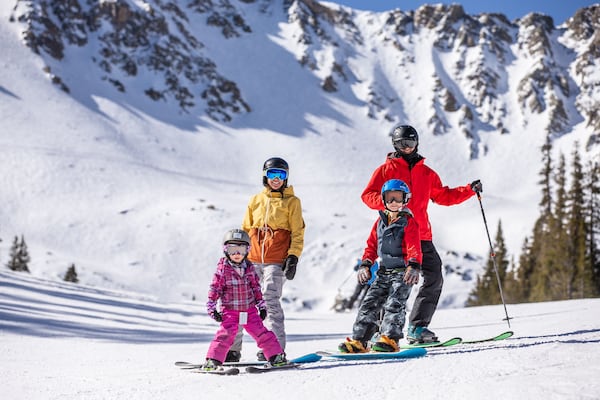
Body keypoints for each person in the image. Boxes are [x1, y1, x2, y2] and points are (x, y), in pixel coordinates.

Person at [361, 124, 482, 343]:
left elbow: (444, 196)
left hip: (421, 236)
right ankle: (377, 331)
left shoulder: (426, 173)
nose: (407, 148)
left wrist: (468, 190)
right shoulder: (385, 171)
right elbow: (367, 195)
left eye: (410, 143)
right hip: (395, 234)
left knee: (434, 277)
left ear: (417, 143)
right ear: (395, 145)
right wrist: (387, 204)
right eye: (402, 144)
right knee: (389, 283)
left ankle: (417, 327)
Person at [227, 157, 305, 361]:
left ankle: (274, 349)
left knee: (269, 300)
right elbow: (245, 230)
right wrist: (238, 255)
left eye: (281, 175)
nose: (276, 179)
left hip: (276, 260)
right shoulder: (255, 200)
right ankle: (232, 349)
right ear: (265, 176)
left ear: (286, 177)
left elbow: (298, 232)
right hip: (251, 260)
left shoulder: (292, 202)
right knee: (240, 301)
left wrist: (293, 256)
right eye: (272, 174)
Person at [339, 179, 422, 353]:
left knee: (394, 304)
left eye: (398, 198)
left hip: (402, 272)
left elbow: (414, 246)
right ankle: (360, 341)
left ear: (405, 199)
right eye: (389, 198)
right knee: (369, 303)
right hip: (383, 272)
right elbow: (371, 246)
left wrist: (413, 265)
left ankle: (390, 339)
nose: (393, 202)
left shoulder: (408, 222)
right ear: (383, 200)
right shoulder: (379, 223)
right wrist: (366, 264)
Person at [202, 229, 287, 371]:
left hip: (250, 311)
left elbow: (255, 288)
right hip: (230, 312)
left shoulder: (249, 268)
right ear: (225, 250)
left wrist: (262, 306)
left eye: (241, 250)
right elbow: (215, 289)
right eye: (232, 249)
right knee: (225, 336)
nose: (236, 254)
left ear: (248, 250)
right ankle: (213, 361)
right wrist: (211, 307)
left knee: (262, 334)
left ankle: (276, 356)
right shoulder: (223, 269)